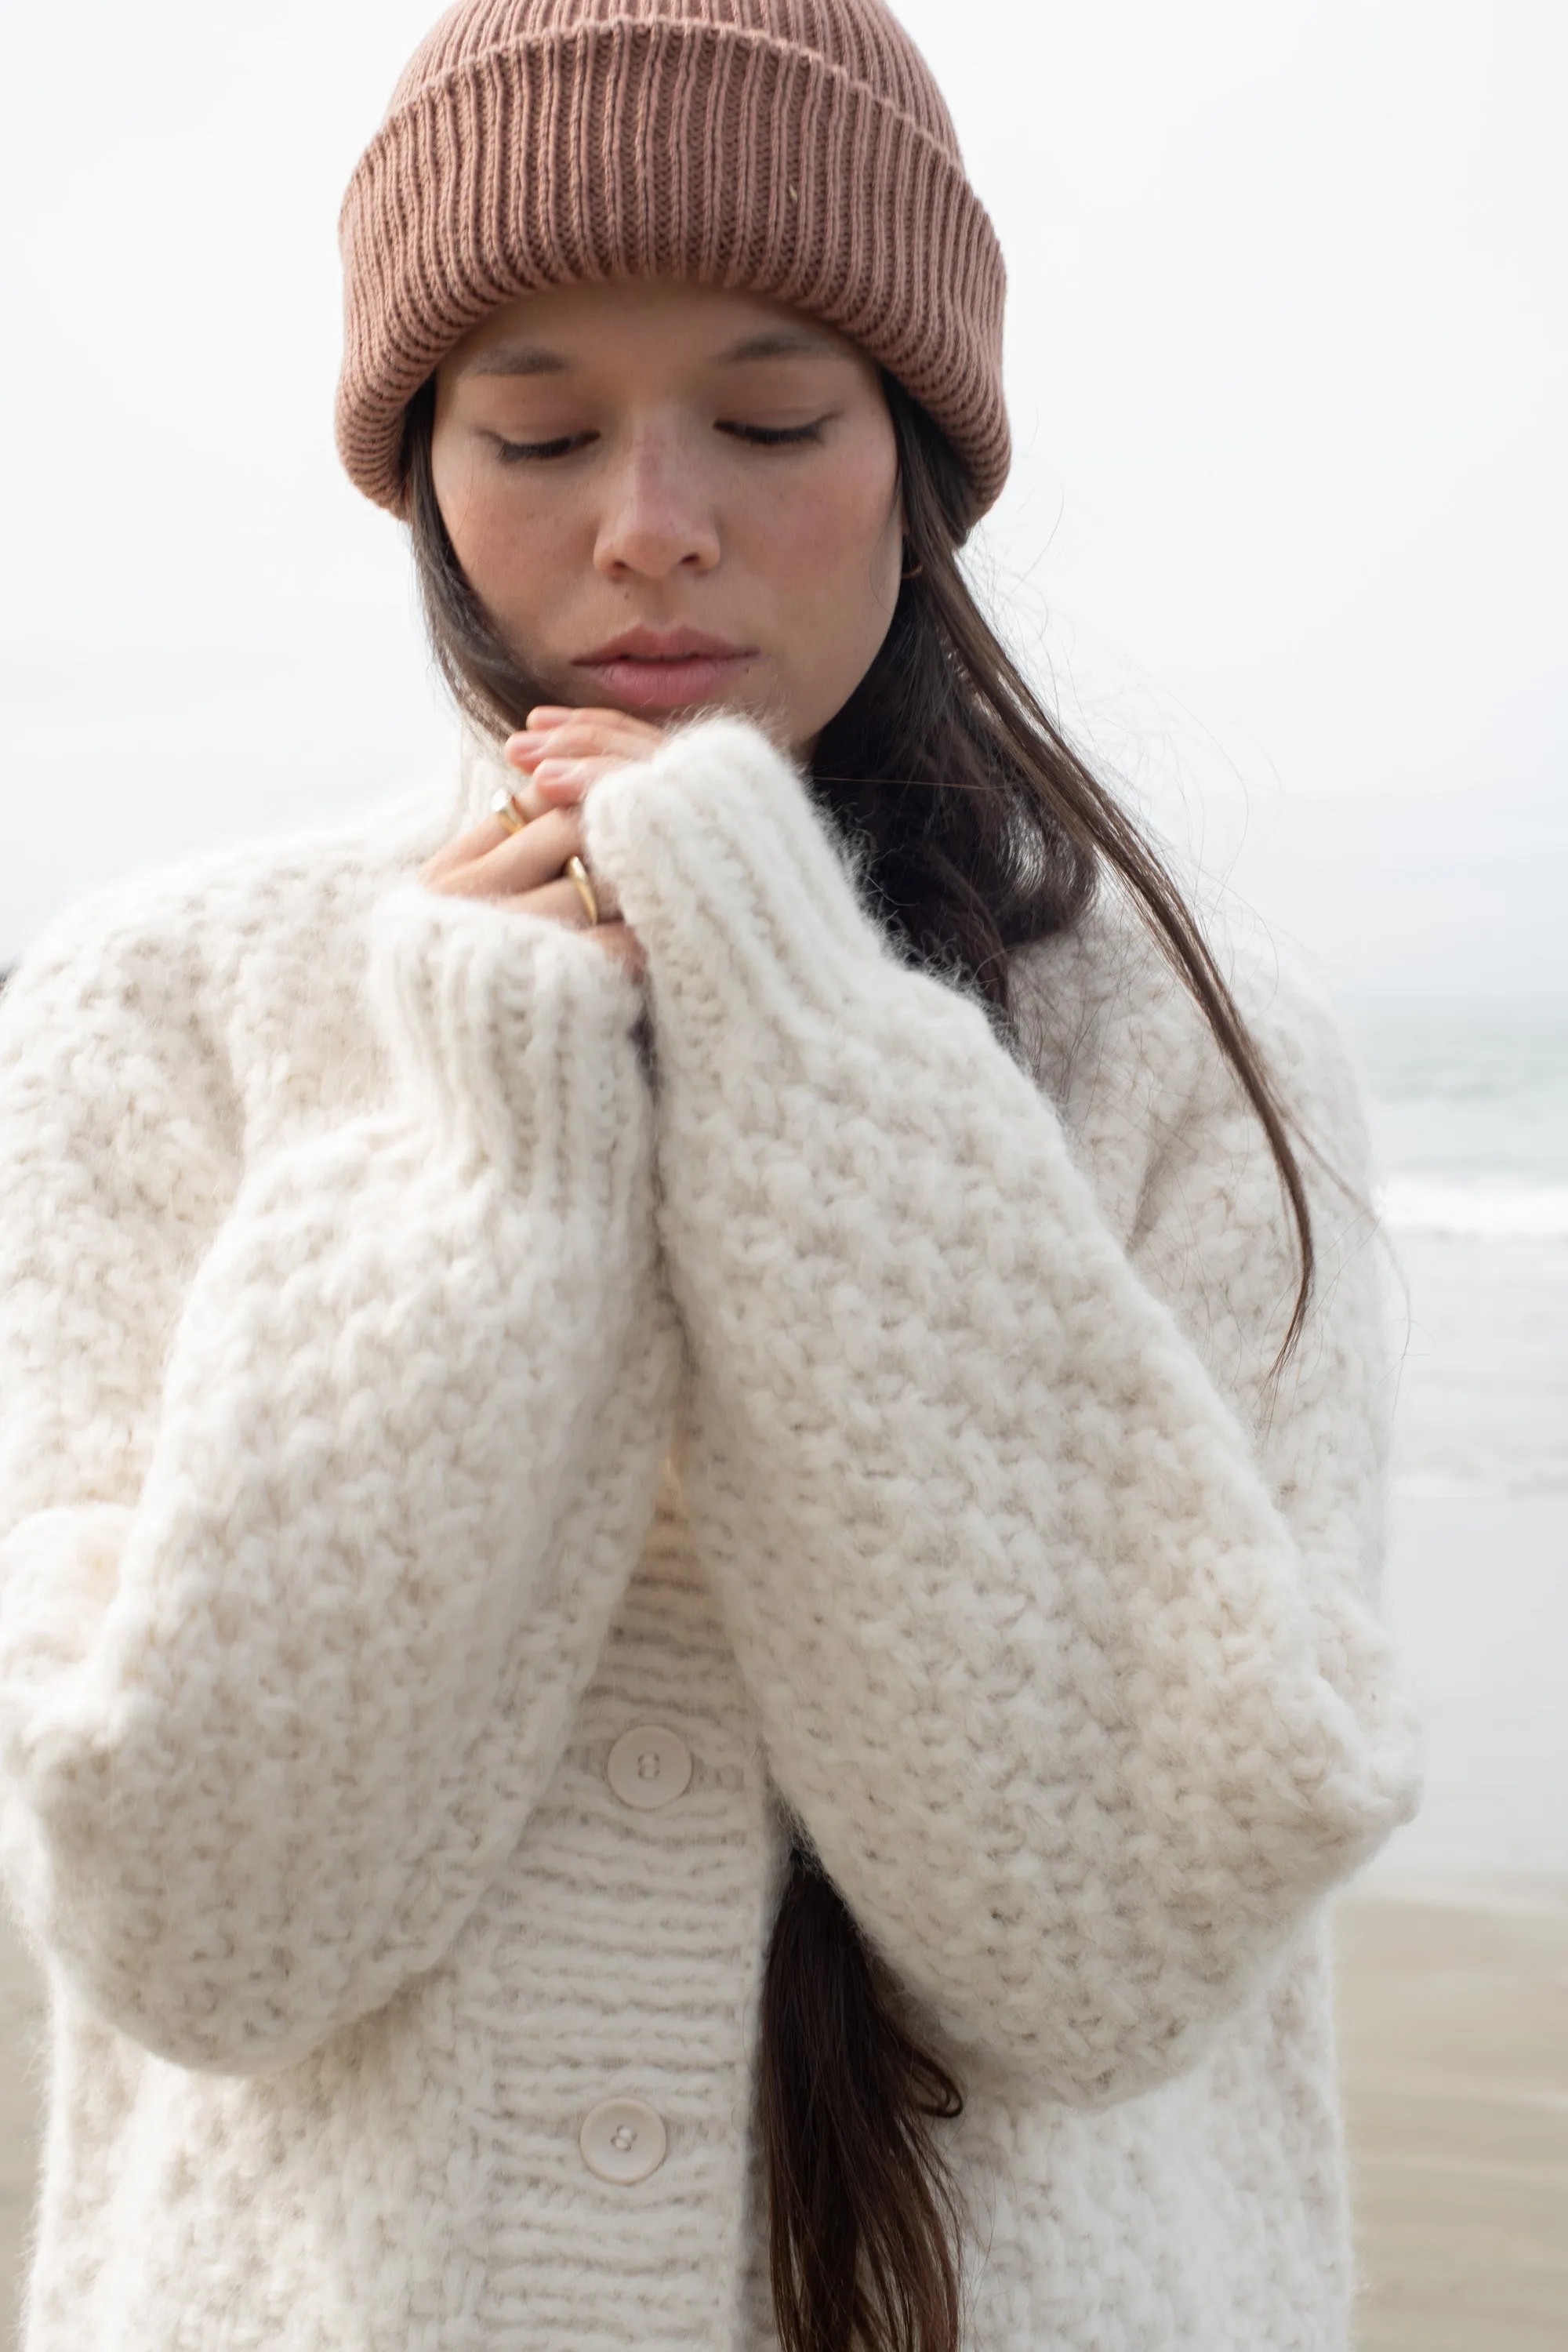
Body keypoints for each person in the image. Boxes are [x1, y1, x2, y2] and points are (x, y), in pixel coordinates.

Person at [0, 2, 1421, 2347]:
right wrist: (473, 1136)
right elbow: (199, 1927)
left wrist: (808, 1047)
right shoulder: (162, 1017)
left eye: (773, 420)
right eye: (536, 427)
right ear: (423, 470)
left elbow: (1124, 1934)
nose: (650, 519)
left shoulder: (1200, 1058)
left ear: (920, 459)